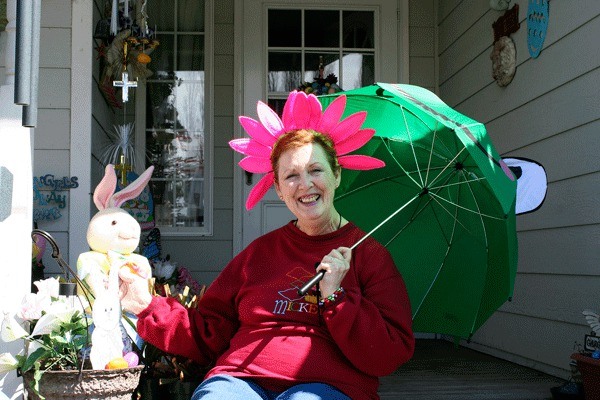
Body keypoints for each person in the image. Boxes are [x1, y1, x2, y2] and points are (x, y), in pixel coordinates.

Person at [119, 90, 415, 400]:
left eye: (316, 170)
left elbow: (388, 354)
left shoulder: (370, 256)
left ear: (337, 175)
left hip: (329, 386)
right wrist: (146, 306)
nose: (305, 184)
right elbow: (208, 331)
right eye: (291, 176)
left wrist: (336, 297)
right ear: (277, 187)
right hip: (240, 380)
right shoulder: (258, 255)